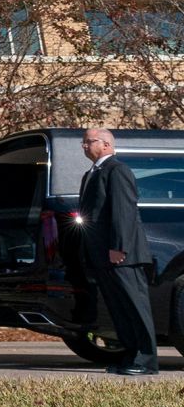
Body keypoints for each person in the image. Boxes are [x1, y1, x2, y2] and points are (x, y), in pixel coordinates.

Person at [79, 128, 158, 376]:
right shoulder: (91, 174)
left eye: (88, 141)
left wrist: (119, 247)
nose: (83, 146)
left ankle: (147, 360)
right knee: (119, 308)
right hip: (101, 255)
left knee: (135, 306)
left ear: (105, 144)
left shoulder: (117, 170)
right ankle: (131, 355)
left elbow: (123, 211)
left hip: (122, 255)